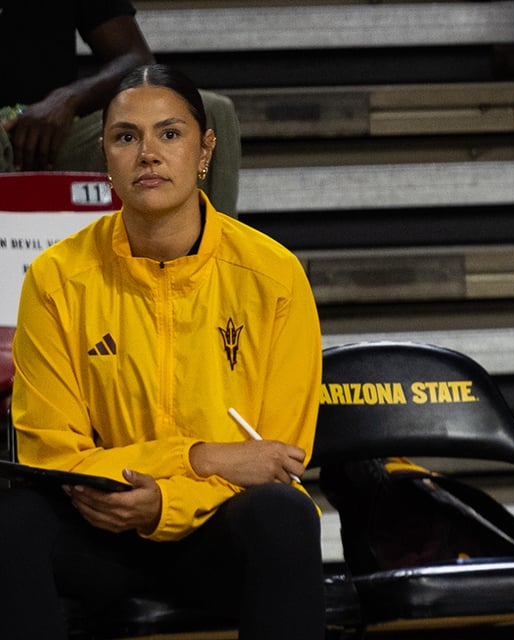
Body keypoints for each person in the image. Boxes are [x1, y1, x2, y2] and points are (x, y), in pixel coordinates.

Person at [0, 64, 324, 639]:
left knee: (285, 514)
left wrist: (165, 503)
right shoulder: (55, 278)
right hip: (102, 533)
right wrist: (202, 458)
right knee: (17, 521)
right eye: (127, 136)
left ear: (206, 149)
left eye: (170, 134)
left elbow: (276, 460)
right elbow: (52, 458)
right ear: (105, 156)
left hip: (219, 538)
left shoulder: (273, 277)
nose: (148, 153)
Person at [0, 0, 241, 216]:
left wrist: (67, 99)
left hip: (50, 135)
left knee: (207, 111)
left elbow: (134, 56)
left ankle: (214, 256)